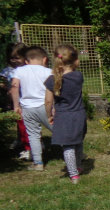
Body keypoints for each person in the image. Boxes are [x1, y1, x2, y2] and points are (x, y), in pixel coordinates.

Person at [44, 45, 86, 184]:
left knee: (68, 146)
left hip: (63, 116)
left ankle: (73, 174)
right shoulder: (78, 76)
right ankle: (78, 166)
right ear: (75, 60)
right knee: (78, 142)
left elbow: (48, 101)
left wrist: (49, 115)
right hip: (79, 114)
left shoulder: (51, 80)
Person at [10, 46, 52, 170]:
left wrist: (16, 106)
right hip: (45, 107)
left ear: (26, 61)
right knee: (59, 130)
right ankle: (75, 153)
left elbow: (14, 87)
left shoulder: (19, 71)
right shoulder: (49, 71)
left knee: (33, 135)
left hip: (27, 108)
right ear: (44, 59)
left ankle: (38, 162)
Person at [1, 42, 31, 160]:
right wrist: (7, 88)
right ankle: (20, 140)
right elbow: (2, 82)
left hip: (26, 100)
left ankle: (30, 145)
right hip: (14, 101)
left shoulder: (27, 70)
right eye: (11, 58)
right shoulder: (8, 70)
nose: (14, 60)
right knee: (20, 123)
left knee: (27, 123)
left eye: (17, 58)